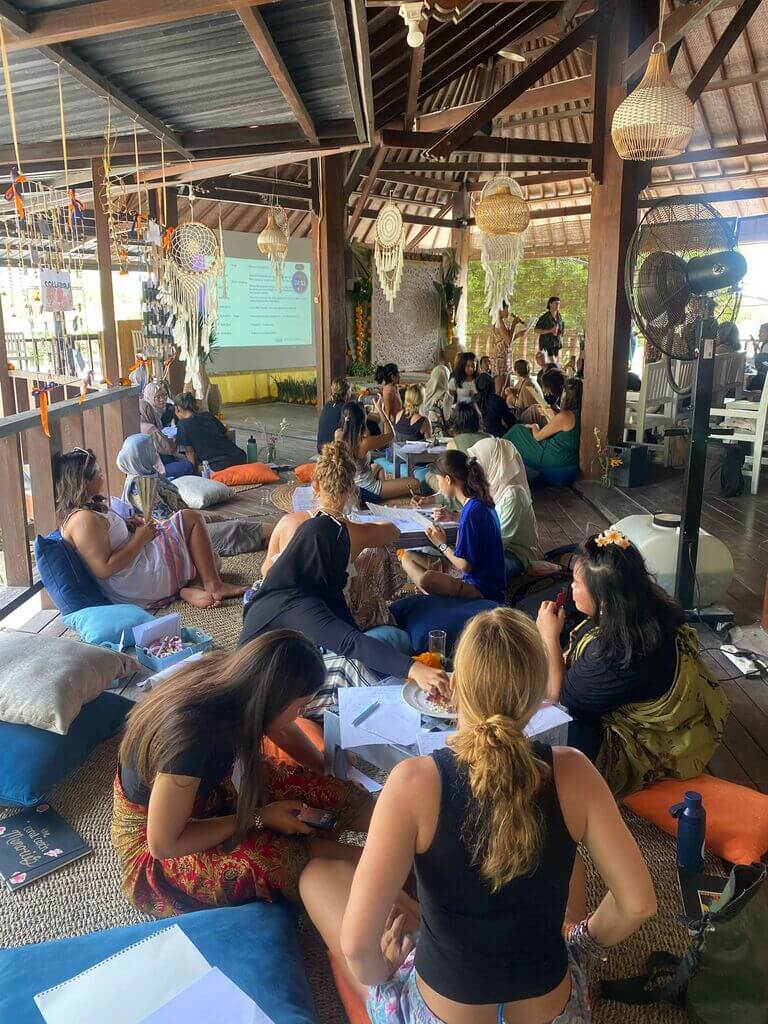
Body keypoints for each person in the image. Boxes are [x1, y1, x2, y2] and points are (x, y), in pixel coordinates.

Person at [300, 608, 656, 1024]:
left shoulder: (412, 782)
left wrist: (386, 974)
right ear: (538, 695)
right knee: (569, 850)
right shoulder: (575, 771)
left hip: (441, 1012)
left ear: (453, 687)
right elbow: (638, 904)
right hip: (556, 1015)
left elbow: (357, 947)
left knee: (315, 877)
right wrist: (580, 943)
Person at [113, 631, 372, 917]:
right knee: (285, 857)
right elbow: (163, 844)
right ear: (272, 701)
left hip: (207, 789)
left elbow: (283, 729)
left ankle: (392, 847)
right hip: (158, 845)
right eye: (300, 707)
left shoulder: (240, 681)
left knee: (333, 793)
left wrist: (322, 770)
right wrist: (260, 817)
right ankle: (378, 869)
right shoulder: (192, 742)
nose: (303, 713)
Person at [536, 530, 729, 797]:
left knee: (550, 743)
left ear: (604, 600)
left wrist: (548, 636)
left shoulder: (615, 653)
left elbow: (560, 698)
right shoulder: (645, 604)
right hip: (644, 691)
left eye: (577, 583)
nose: (571, 588)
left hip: (643, 742)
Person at [240, 474, 449, 717]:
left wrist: (407, 666)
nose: (344, 568)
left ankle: (409, 701)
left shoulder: (309, 581)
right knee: (349, 668)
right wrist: (413, 668)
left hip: (285, 668)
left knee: (387, 644)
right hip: (262, 696)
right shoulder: (292, 601)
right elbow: (350, 642)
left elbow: (347, 627)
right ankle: (409, 718)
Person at [55, 447, 246, 609]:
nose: (101, 474)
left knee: (210, 559)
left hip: (136, 566)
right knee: (191, 518)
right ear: (83, 481)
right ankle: (213, 586)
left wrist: (129, 526)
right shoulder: (83, 520)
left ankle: (192, 587)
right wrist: (140, 539)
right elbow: (104, 569)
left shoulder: (88, 511)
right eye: (96, 470)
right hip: (134, 581)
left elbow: (107, 541)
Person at [261, 442, 404, 633]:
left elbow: (266, 571)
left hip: (282, 611)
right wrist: (369, 524)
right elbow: (393, 531)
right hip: (326, 618)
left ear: (315, 486)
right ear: (351, 489)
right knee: (378, 550)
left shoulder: (287, 522)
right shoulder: (353, 532)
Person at [116, 434, 273, 556]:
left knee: (232, 525)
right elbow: (169, 522)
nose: (155, 452)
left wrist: (203, 518)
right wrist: (204, 520)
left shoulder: (150, 475)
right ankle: (281, 532)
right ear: (140, 455)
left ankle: (280, 533)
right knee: (235, 529)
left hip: (186, 525)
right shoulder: (140, 487)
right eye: (150, 449)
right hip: (175, 537)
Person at [401, 450, 505, 602]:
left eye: (438, 480)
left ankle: (436, 600)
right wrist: (452, 516)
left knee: (427, 579)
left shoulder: (471, 512)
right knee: (408, 557)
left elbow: (464, 565)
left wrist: (441, 545)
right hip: (480, 579)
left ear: (448, 479)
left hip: (481, 589)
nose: (439, 486)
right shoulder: (479, 503)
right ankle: (436, 596)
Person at [468, 436, 537, 577]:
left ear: (494, 462)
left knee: (477, 570)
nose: (475, 469)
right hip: (492, 544)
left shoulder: (513, 494)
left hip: (514, 553)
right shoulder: (491, 485)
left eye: (479, 462)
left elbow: (499, 542)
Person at [336, 400, 422, 502]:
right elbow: (391, 435)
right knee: (415, 482)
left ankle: (384, 491)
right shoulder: (363, 442)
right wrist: (381, 410)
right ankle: (380, 494)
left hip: (351, 485)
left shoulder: (338, 434)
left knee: (378, 466)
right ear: (362, 420)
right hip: (367, 488)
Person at [505, 378, 581, 480]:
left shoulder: (566, 416)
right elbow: (562, 431)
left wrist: (534, 426)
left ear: (566, 395)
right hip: (568, 457)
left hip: (554, 457)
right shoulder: (578, 414)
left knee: (517, 430)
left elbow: (538, 436)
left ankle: (500, 455)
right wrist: (550, 414)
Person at [174, 392, 247, 472]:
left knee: (193, 468)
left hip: (218, 465)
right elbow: (228, 435)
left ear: (178, 409)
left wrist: (194, 470)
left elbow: (189, 452)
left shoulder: (182, 425)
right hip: (239, 457)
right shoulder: (208, 415)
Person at [139, 382, 194, 480]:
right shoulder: (150, 428)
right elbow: (169, 448)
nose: (162, 400)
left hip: (155, 462)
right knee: (188, 465)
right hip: (157, 468)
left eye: (164, 395)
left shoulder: (137, 425)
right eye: (157, 397)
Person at [475, 371, 516, 438]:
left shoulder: (472, 400)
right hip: (496, 436)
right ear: (492, 384)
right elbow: (511, 420)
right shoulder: (497, 400)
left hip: (477, 437)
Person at [421, 356, 453, 435]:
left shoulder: (423, 391)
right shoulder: (445, 396)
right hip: (440, 435)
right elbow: (448, 419)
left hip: (423, 432)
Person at [317, 378, 350, 452]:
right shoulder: (345, 408)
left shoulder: (327, 405)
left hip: (321, 449)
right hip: (334, 452)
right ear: (347, 392)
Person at [535, 297, 565, 363]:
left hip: (556, 344)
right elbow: (536, 330)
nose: (557, 305)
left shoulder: (559, 316)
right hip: (547, 344)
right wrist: (549, 331)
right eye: (556, 303)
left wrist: (561, 335)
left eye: (559, 303)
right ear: (550, 304)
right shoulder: (544, 317)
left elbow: (561, 328)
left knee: (553, 363)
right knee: (552, 363)